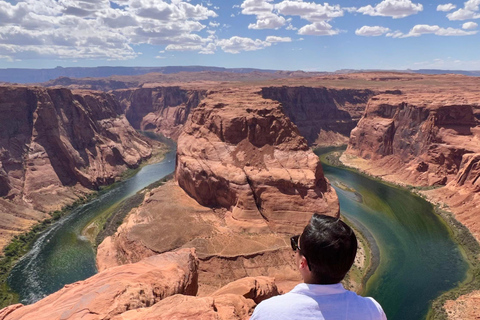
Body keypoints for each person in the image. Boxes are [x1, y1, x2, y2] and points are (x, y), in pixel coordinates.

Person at [250, 213, 387, 320]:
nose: (295, 251)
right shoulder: (372, 310)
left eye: (296, 246)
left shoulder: (269, 312)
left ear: (303, 263)